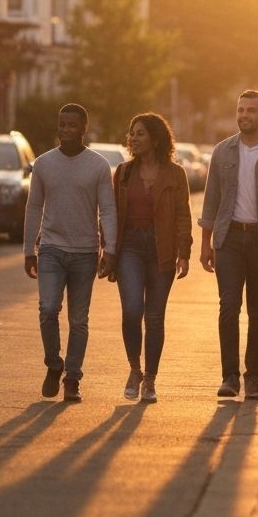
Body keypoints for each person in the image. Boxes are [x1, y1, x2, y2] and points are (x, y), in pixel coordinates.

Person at [199, 90, 258, 401]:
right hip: (228, 239)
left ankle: (252, 378)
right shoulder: (222, 152)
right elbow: (211, 199)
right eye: (240, 110)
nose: (244, 115)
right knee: (228, 307)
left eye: (250, 111)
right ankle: (229, 377)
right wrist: (206, 243)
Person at [23, 103, 117, 404]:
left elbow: (108, 209)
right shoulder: (43, 164)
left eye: (72, 125)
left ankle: (73, 378)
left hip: (85, 253)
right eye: (62, 125)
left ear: (83, 128)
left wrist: (109, 248)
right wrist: (29, 249)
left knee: (79, 320)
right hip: (51, 249)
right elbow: (34, 206)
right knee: (48, 310)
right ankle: (54, 364)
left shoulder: (99, 166)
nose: (66, 130)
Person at [111, 112, 192, 403]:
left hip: (163, 248)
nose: (133, 138)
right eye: (131, 133)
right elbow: (111, 215)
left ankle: (151, 380)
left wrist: (184, 251)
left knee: (155, 318)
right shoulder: (123, 173)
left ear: (155, 139)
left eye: (140, 133)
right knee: (132, 310)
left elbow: (183, 214)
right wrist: (108, 249)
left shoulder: (175, 174)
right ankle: (135, 369)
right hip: (130, 246)